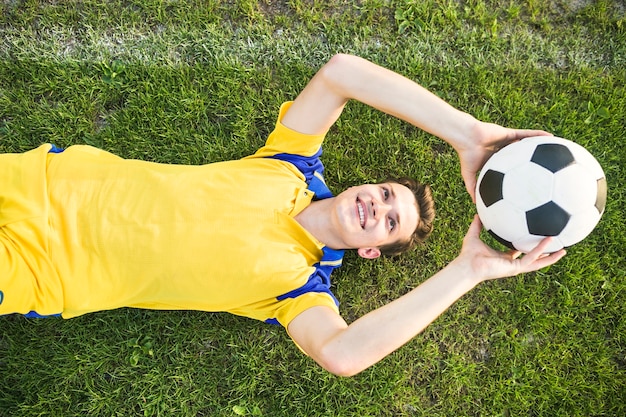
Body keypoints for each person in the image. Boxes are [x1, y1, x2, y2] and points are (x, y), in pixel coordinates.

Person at [0, 54, 566, 376]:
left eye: (391, 223)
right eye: (387, 193)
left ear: (370, 251)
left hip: (37, 271)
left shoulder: (301, 291)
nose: (379, 207)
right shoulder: (289, 163)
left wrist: (468, 269)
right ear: (362, 186)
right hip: (41, 183)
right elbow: (343, 72)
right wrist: (471, 136)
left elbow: (343, 356)